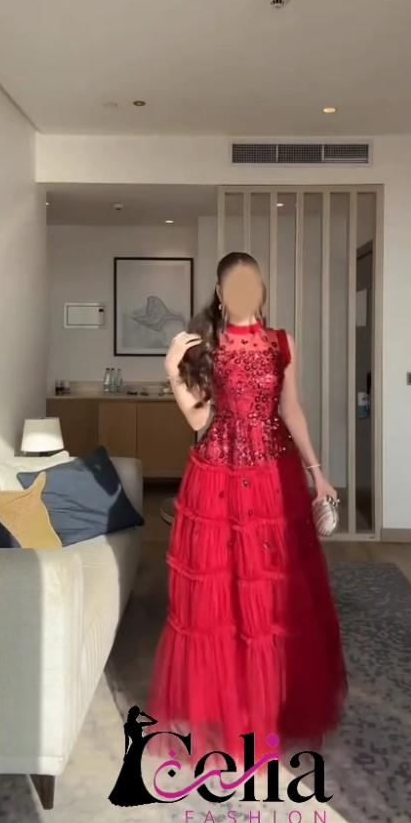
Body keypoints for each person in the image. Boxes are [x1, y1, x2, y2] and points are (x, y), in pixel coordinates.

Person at [145, 251, 348, 767]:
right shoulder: (206, 345)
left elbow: (290, 409)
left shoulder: (282, 342)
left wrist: (317, 472)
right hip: (217, 477)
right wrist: (172, 371)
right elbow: (199, 421)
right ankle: (227, 707)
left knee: (273, 596)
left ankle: (269, 706)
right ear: (220, 293)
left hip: (274, 478)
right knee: (221, 596)